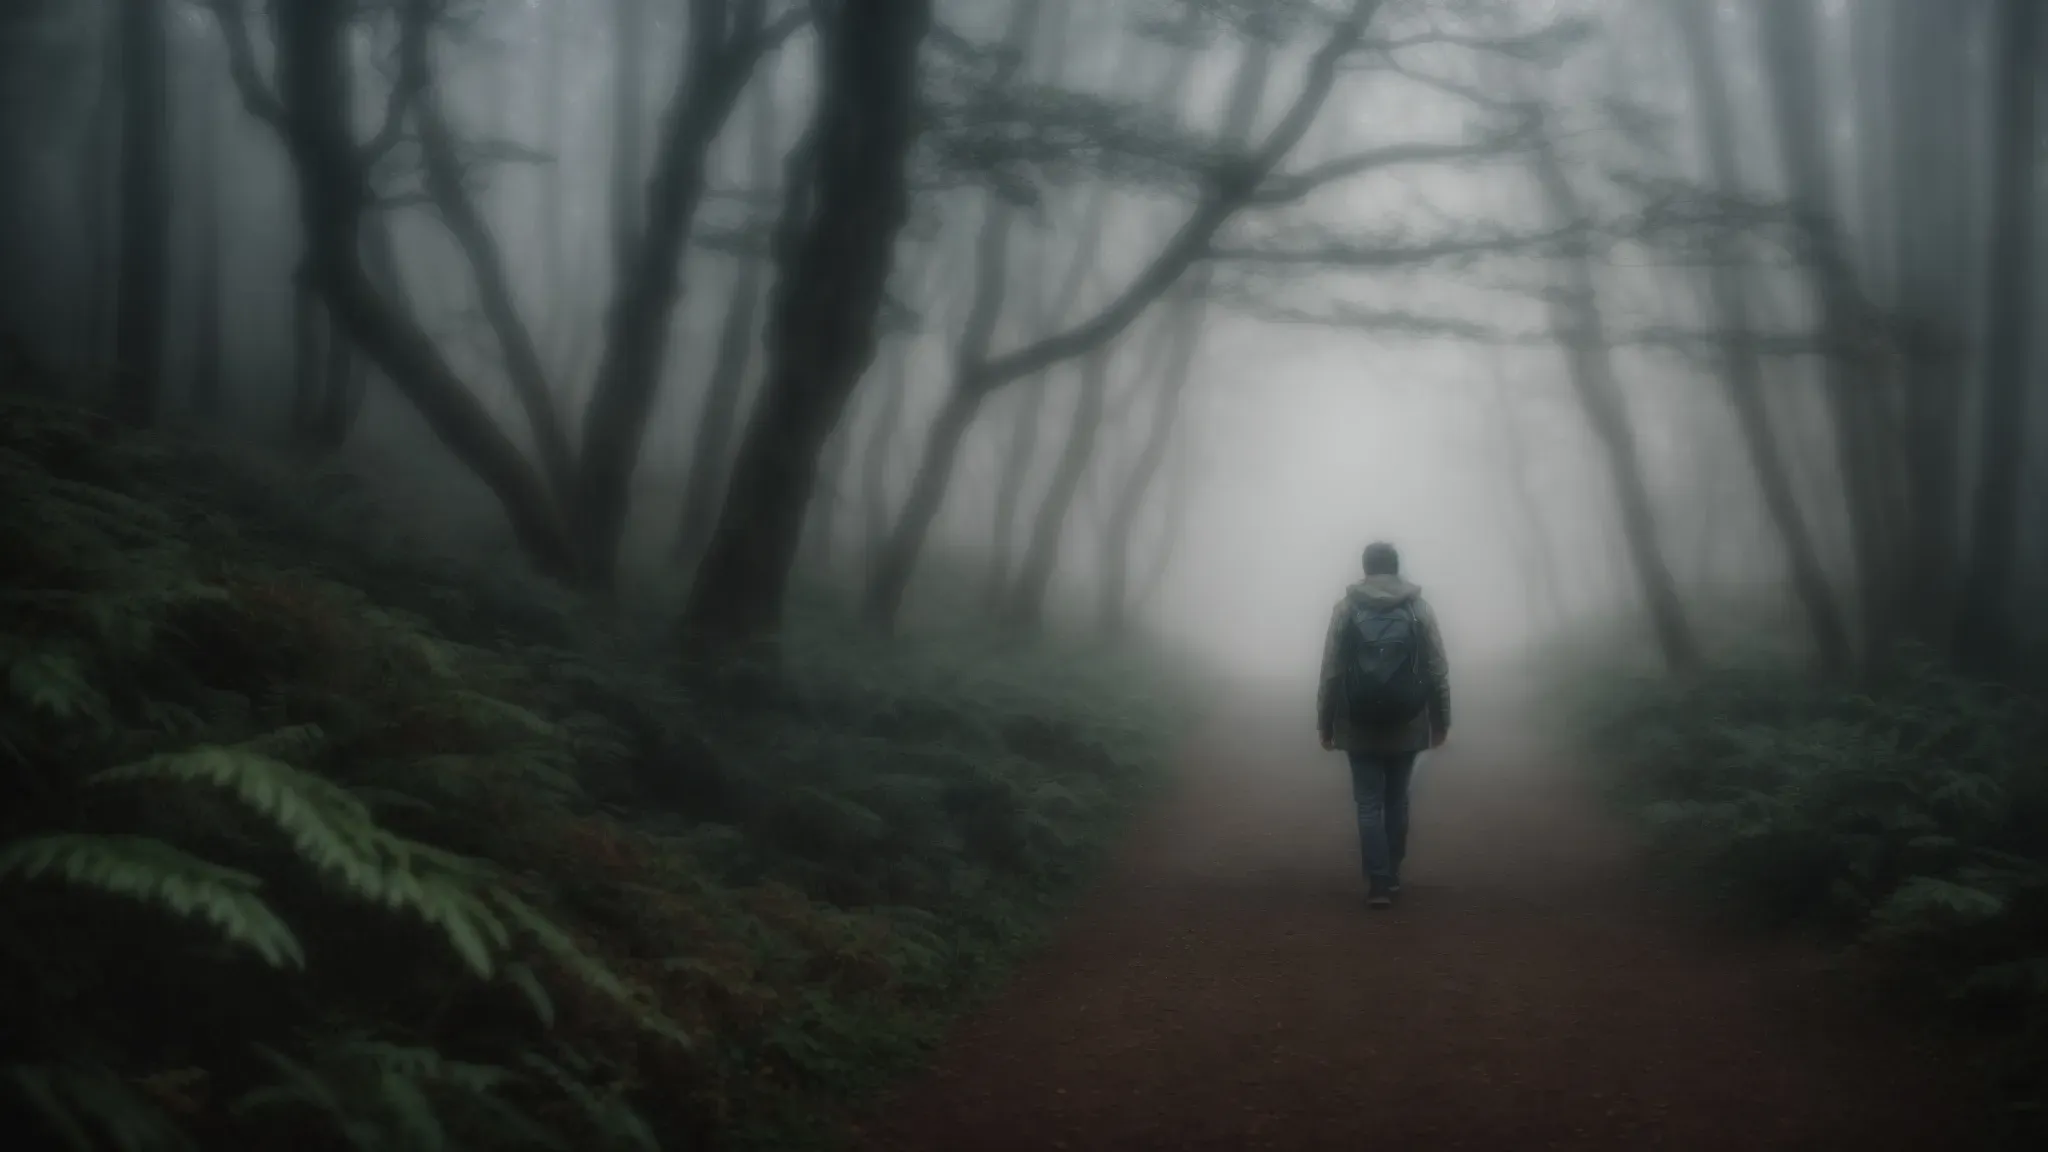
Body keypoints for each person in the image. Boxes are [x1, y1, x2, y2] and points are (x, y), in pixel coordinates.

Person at [1315, 541, 1451, 909]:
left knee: (1368, 802)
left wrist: (1324, 722)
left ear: (1365, 569)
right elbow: (1437, 668)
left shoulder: (1346, 609)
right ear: (1396, 567)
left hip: (1357, 719)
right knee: (1396, 798)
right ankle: (1392, 874)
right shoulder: (1418, 609)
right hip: (1407, 718)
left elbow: (1331, 671)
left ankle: (1377, 883)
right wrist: (1441, 720)